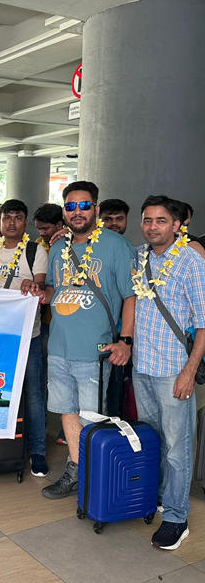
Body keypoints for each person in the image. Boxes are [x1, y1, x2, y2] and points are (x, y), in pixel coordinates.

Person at [32, 181, 136, 500]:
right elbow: (52, 289)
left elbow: (131, 297)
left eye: (84, 205)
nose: (78, 212)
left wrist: (126, 341)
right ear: (65, 211)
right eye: (71, 206)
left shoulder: (116, 245)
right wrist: (39, 293)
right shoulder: (58, 247)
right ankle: (76, 471)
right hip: (60, 347)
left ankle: (97, 476)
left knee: (94, 417)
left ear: (97, 209)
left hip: (96, 350)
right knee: (66, 412)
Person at [132, 195, 205, 550]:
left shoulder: (191, 262)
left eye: (161, 221)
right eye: (147, 220)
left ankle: (177, 517)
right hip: (142, 368)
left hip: (174, 370)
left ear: (177, 225)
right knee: (155, 442)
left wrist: (189, 372)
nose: (152, 227)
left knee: (178, 448)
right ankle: (162, 497)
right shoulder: (139, 256)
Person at [0, 199, 49, 476]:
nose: (11, 223)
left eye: (17, 218)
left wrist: (33, 285)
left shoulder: (35, 252)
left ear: (25, 222)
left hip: (27, 335)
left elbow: (41, 286)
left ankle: (38, 451)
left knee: (33, 393)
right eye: (6, 218)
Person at [33, 203, 65, 444]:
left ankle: (69, 428)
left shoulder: (68, 244)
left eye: (45, 228)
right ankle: (41, 426)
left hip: (67, 324)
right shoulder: (35, 249)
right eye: (38, 229)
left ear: (59, 225)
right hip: (44, 322)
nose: (41, 233)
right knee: (43, 376)